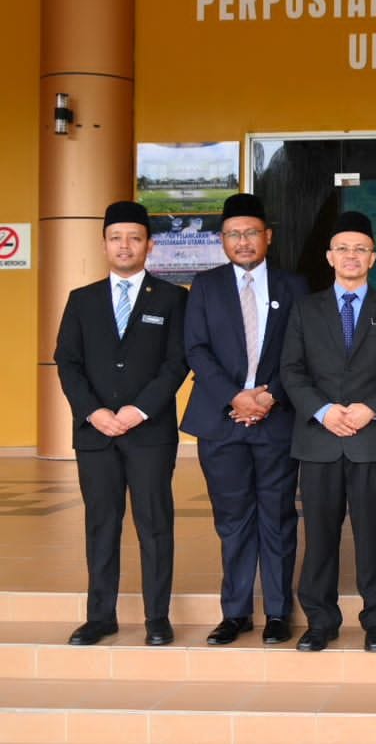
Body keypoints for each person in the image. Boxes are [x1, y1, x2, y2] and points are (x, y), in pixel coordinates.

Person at [53, 200, 189, 647]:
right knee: (101, 524)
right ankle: (100, 617)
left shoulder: (172, 298)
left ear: (149, 245)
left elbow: (176, 363)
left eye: (134, 238)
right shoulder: (82, 299)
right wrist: (93, 412)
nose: (124, 245)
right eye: (116, 238)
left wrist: (139, 410)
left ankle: (157, 617)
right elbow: (67, 362)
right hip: (96, 433)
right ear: (104, 244)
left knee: (155, 524)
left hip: (149, 433)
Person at [280, 211, 376, 653]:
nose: (351, 255)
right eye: (343, 248)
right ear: (329, 256)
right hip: (319, 441)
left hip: (371, 440)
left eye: (360, 249)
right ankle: (320, 621)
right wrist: (323, 411)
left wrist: (370, 409)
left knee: (374, 536)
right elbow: (291, 370)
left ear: (372, 257)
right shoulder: (306, 309)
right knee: (319, 538)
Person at [182, 193, 309, 646]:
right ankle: (234, 613)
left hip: (277, 419)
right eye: (233, 234)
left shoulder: (295, 286)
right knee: (232, 519)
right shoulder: (205, 285)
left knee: (277, 517)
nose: (242, 241)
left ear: (267, 236)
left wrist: (269, 397)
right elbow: (195, 348)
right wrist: (236, 397)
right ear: (222, 240)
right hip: (221, 420)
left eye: (251, 232)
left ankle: (277, 612)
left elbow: (302, 350)